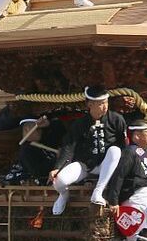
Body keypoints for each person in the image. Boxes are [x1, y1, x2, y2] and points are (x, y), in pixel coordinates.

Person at [50, 86, 127, 214]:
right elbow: (69, 146)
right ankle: (63, 195)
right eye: (101, 103)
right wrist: (58, 167)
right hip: (85, 165)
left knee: (115, 150)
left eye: (106, 102)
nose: (105, 106)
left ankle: (98, 191)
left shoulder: (116, 119)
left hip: (106, 166)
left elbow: (123, 145)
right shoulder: (80, 123)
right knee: (59, 180)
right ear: (90, 104)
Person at [104, 119, 147, 236]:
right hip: (135, 198)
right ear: (137, 136)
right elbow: (119, 175)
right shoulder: (129, 152)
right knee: (136, 236)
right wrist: (113, 201)